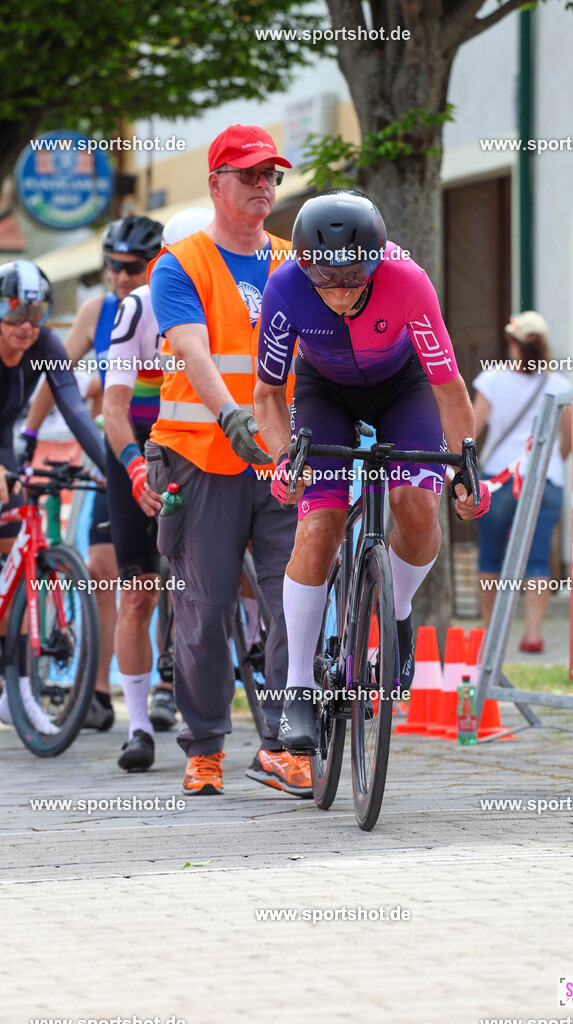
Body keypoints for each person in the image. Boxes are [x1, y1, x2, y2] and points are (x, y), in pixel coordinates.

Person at [253, 188, 490, 754]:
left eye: (353, 279)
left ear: (377, 260)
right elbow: (266, 393)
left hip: (401, 387)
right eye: (325, 281)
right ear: (305, 264)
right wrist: (285, 457)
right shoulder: (285, 286)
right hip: (322, 393)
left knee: (416, 501)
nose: (338, 294)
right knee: (318, 526)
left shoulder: (408, 280)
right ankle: (298, 692)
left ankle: (399, 612)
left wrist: (466, 467)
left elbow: (448, 385)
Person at [147, 123, 310, 798]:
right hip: (199, 459)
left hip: (280, 461)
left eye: (270, 174)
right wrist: (231, 415)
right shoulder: (179, 262)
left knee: (290, 602)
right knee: (205, 608)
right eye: (248, 175)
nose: (263, 186)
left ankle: (278, 742)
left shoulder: (295, 260)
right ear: (214, 184)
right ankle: (206, 744)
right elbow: (192, 351)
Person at [21, 216, 163, 731]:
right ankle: (101, 693)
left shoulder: (171, 303)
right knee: (108, 567)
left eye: (131, 268)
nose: (120, 277)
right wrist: (29, 438)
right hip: (119, 451)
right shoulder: (95, 311)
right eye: (112, 267)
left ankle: (168, 684)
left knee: (185, 565)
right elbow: (54, 379)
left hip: (177, 448)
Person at [102, 208, 214, 772]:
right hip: (138, 444)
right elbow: (113, 409)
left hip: (197, 446)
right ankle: (139, 725)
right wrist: (135, 468)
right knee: (140, 589)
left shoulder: (233, 298)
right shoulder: (137, 307)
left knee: (214, 576)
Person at [0, 260, 106, 728]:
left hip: (5, 442)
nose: (27, 326)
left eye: (37, 313)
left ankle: (16, 692)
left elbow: (76, 412)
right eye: (16, 314)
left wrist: (117, 472)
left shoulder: (43, 343)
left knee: (15, 556)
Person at [472, 312, 571, 653]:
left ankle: (489, 633)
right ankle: (532, 634)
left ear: (513, 343)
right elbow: (567, 439)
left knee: (490, 557)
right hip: (545, 478)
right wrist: (548, 462)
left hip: (499, 477)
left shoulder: (492, 379)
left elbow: (471, 431)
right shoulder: (560, 386)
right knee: (539, 558)